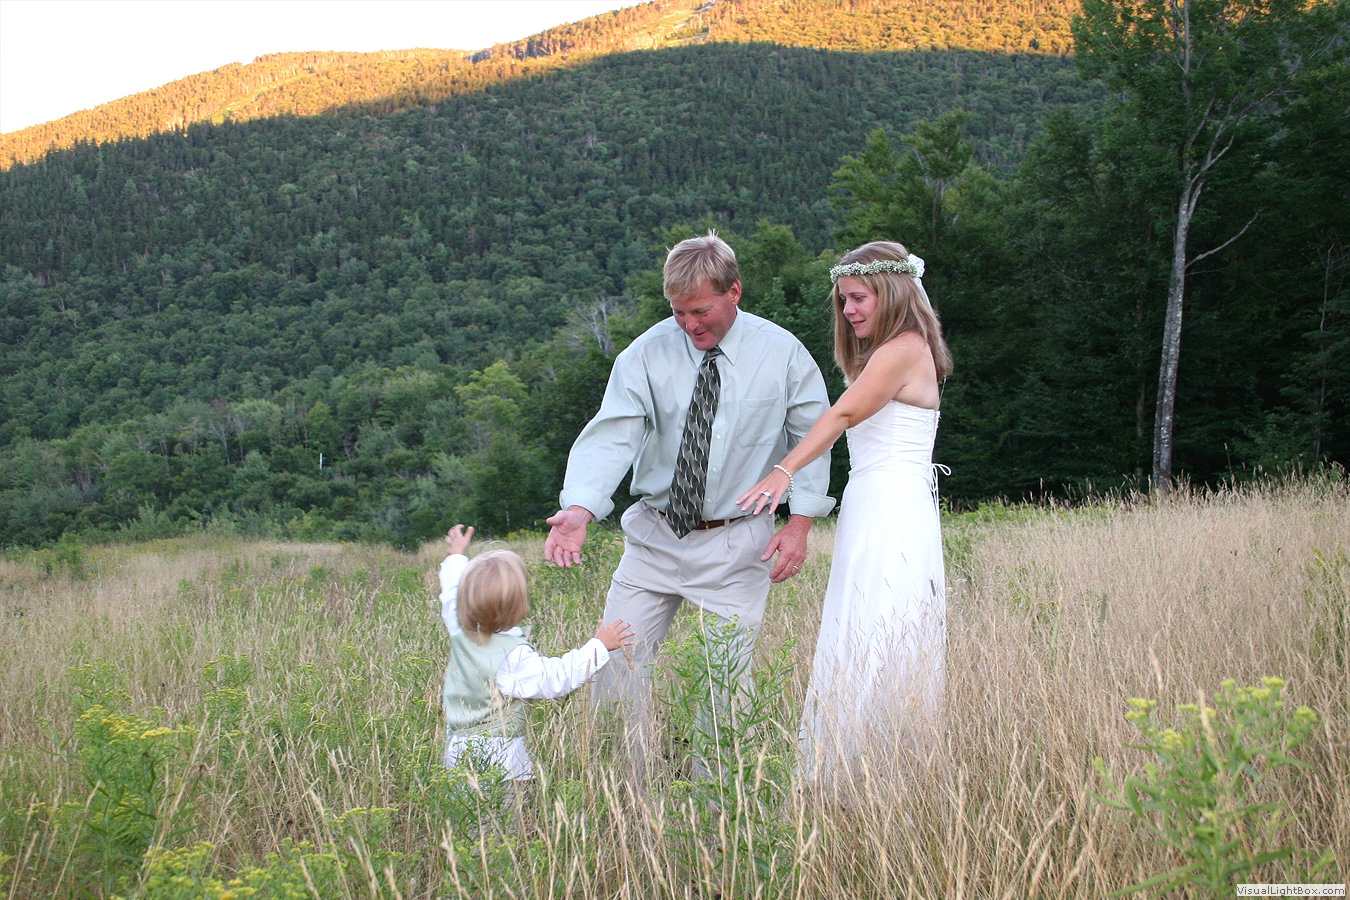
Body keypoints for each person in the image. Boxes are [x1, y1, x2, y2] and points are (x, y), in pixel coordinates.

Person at [543, 231, 836, 769]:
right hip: (653, 538)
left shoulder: (783, 354)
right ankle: (624, 791)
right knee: (616, 663)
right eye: (678, 312)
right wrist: (580, 509)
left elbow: (812, 438)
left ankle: (715, 801)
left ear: (734, 291)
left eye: (700, 311)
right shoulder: (645, 354)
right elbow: (613, 434)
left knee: (725, 681)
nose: (689, 325)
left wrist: (799, 525)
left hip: (737, 542)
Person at [737, 240, 952, 775]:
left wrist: (785, 471)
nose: (848, 310)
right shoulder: (897, 349)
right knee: (863, 621)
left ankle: (874, 765)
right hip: (873, 501)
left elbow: (843, 415)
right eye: (843, 300)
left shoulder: (903, 348)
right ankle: (859, 764)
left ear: (892, 293)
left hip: (892, 508)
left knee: (882, 623)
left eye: (858, 298)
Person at [438, 524, 635, 781]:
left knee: (466, 805)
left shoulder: (459, 629)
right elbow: (556, 678)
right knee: (506, 807)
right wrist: (599, 646)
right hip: (500, 755)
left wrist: (456, 556)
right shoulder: (511, 657)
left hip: (456, 750)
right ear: (517, 606)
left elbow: (452, 592)